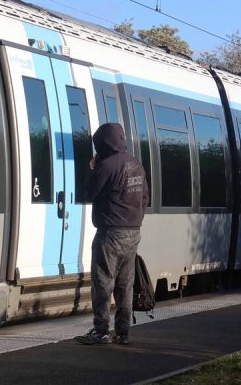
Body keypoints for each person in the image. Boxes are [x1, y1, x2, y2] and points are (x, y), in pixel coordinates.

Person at [75, 122, 149, 345]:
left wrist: (93, 168)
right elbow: (145, 198)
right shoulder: (136, 164)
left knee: (103, 282)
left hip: (110, 233)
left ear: (103, 144)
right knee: (125, 285)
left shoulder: (106, 166)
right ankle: (123, 332)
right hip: (133, 232)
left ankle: (101, 331)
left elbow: (89, 193)